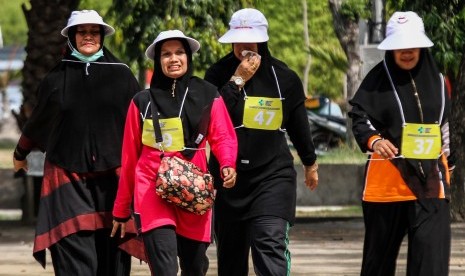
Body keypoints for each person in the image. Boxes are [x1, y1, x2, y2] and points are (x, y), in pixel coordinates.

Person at [12, 10, 142, 276]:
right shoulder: (56, 78)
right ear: (71, 37)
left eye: (94, 32)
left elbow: (142, 123)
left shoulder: (122, 75)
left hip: (114, 180)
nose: (88, 37)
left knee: (113, 256)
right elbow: (39, 121)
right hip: (67, 179)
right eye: (82, 32)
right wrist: (20, 152)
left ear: (102, 37)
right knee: (74, 260)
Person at [111, 30, 238, 276]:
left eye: (179, 52)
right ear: (158, 61)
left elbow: (223, 136)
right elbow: (129, 159)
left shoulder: (208, 93)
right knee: (165, 269)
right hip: (151, 192)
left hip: (194, 192)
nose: (173, 59)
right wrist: (120, 208)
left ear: (189, 57)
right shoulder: (141, 102)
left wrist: (227, 164)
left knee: (194, 267)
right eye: (166, 54)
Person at [204, 8, 319, 276]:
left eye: (251, 40)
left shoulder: (284, 77)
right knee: (231, 259)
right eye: (239, 40)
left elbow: (299, 125)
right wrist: (238, 80)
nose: (245, 46)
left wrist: (310, 163)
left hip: (272, 178)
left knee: (269, 243)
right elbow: (211, 119)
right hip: (228, 179)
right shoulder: (216, 74)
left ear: (263, 40)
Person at [349, 11, 455, 276]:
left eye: (411, 46)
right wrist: (374, 141)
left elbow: (446, 127)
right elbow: (360, 119)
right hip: (387, 187)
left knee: (431, 264)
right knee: (378, 264)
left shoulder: (440, 83)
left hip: (431, 186)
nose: (406, 52)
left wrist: (448, 166)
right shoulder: (375, 82)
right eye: (399, 47)